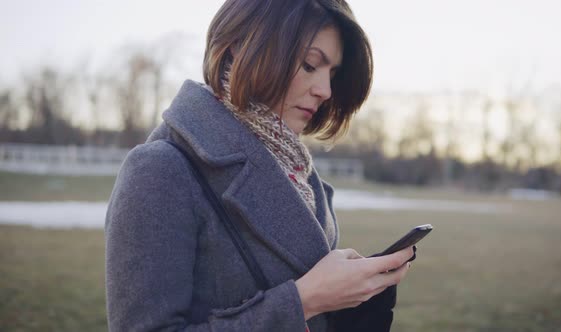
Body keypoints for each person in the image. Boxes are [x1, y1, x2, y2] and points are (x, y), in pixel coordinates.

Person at [105, 0, 415, 331]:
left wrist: (351, 302)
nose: (325, 91)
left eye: (332, 74)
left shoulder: (297, 171)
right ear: (242, 48)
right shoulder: (161, 170)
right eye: (311, 65)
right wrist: (305, 299)